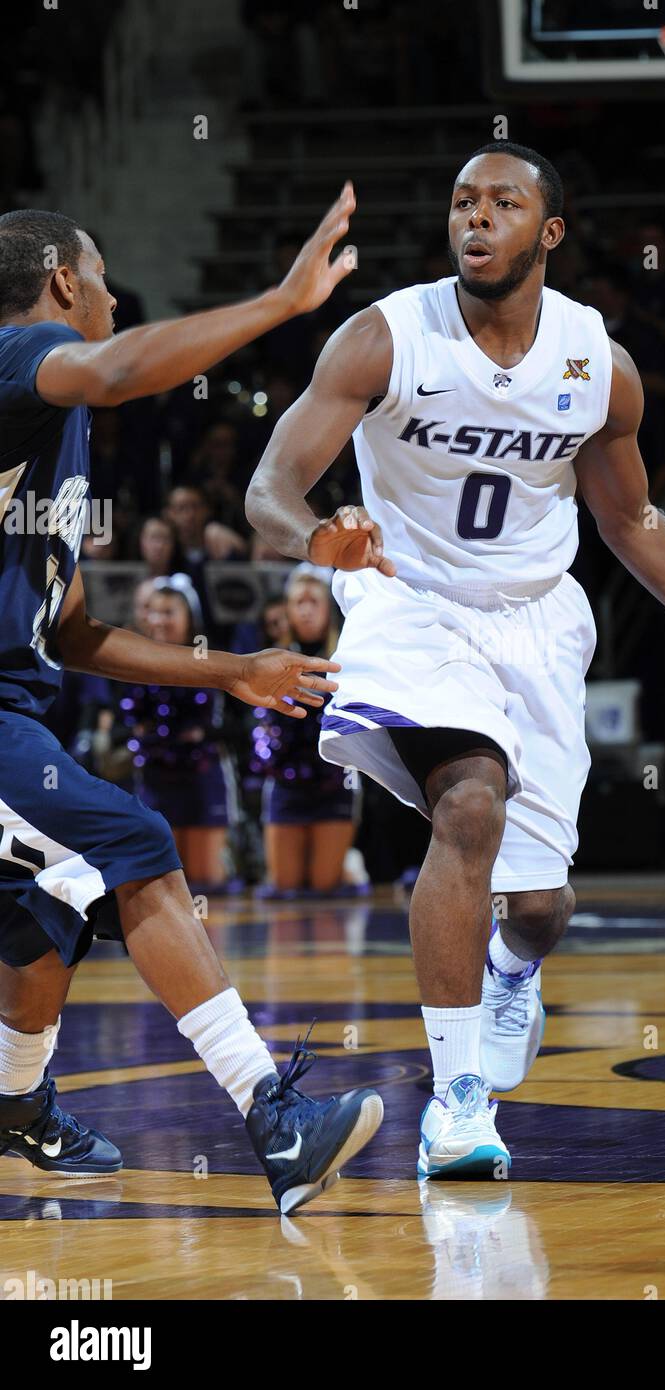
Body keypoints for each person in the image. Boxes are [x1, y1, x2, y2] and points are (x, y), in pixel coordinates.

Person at [246, 142, 665, 1179]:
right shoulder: (384, 337)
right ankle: (457, 1103)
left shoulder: (595, 362)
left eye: (502, 204)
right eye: (463, 202)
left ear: (548, 232)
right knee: (468, 803)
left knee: (541, 903)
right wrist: (313, 537)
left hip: (535, 619)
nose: (476, 219)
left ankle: (513, 967)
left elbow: (631, 518)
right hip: (410, 601)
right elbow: (268, 488)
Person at [0, 193, 385, 1214]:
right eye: (105, 274)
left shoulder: (54, 428)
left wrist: (234, 669)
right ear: (63, 284)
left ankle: (18, 1107)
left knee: (41, 917)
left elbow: (75, 630)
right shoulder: (13, 358)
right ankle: (274, 1117)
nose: (118, 295)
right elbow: (123, 368)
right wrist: (282, 300)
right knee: (132, 841)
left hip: (18, 713)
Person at [252, 566, 361, 895]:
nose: (306, 609)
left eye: (314, 601)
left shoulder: (347, 657)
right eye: (298, 602)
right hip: (285, 783)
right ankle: (351, 869)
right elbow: (260, 724)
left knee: (323, 888)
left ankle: (350, 870)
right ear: (286, 609)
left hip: (334, 782)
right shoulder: (270, 658)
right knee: (284, 888)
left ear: (329, 608)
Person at [124, 576, 237, 890]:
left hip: (202, 778)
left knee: (205, 883)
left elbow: (227, 726)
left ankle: (215, 940)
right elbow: (132, 722)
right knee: (163, 882)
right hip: (155, 779)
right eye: (153, 612)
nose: (159, 620)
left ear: (190, 617)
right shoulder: (134, 662)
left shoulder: (212, 661)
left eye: (169, 612)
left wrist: (198, 734)